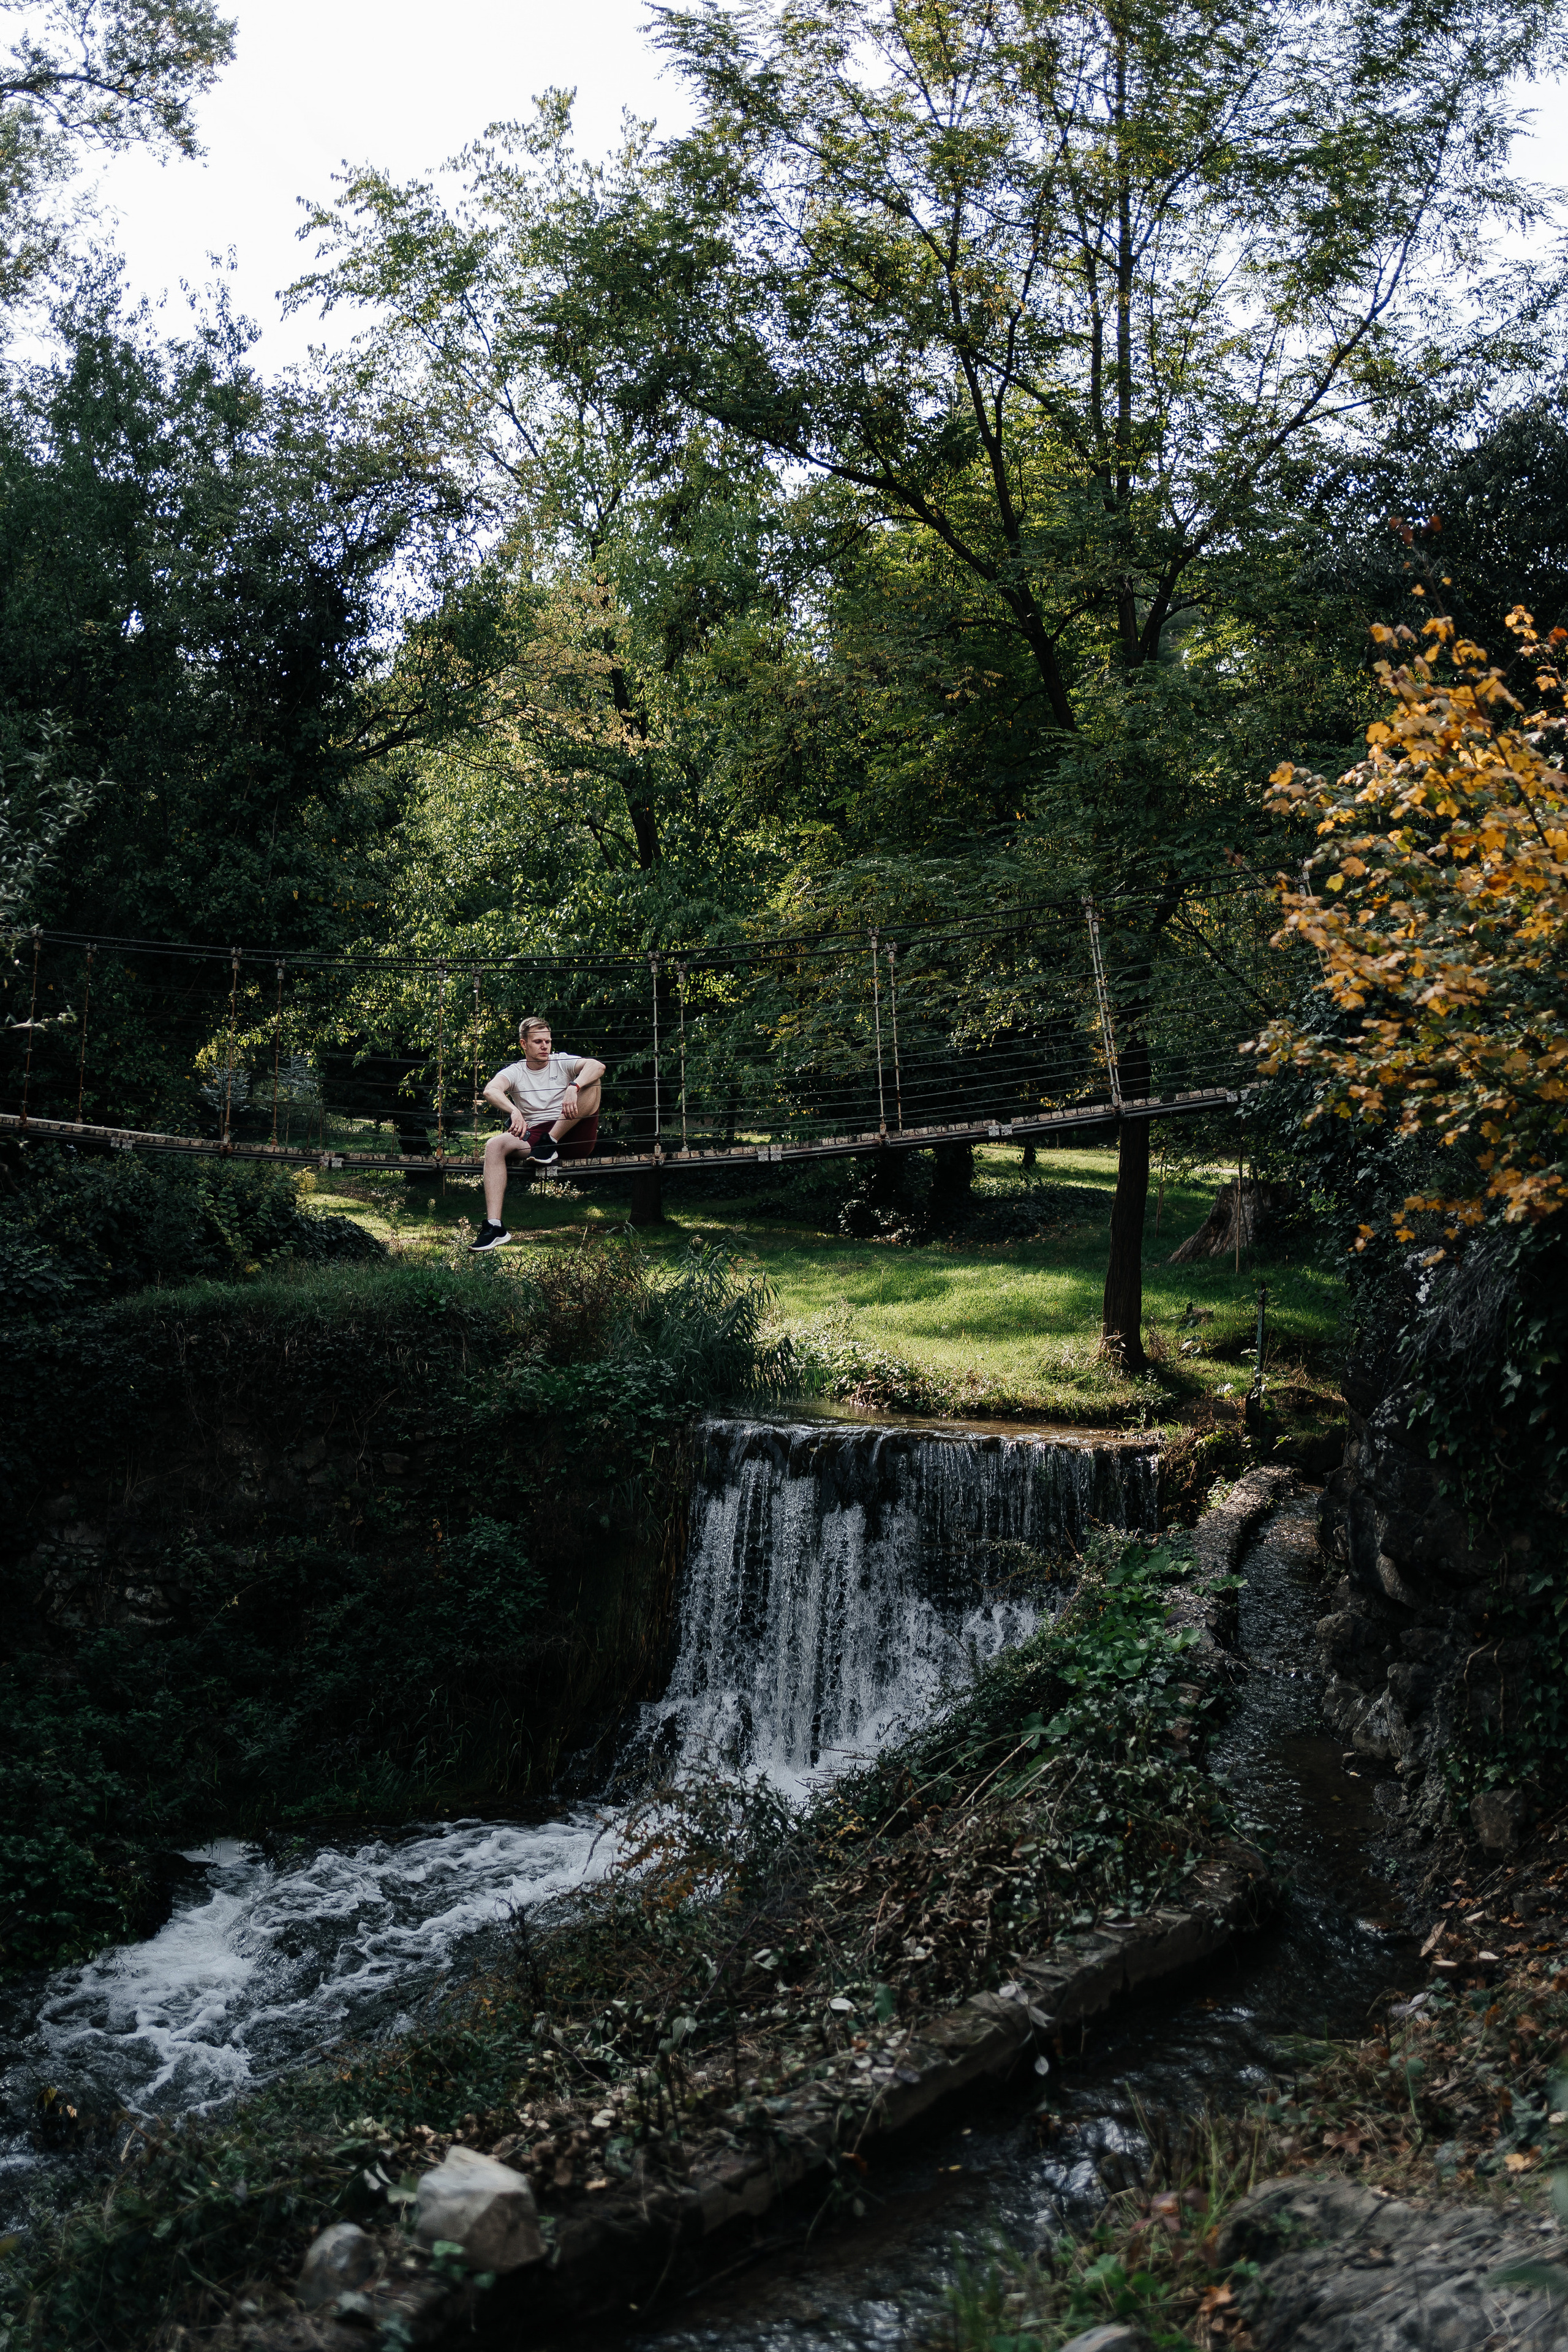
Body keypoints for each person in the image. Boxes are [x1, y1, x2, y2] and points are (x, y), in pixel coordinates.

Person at [469, 1017, 606, 1252]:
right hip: (535, 1137)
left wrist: (573, 1087)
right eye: (538, 1042)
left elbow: (598, 1066)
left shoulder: (561, 1062)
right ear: (524, 1044)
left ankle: (550, 1142)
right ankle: (494, 1227)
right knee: (494, 1145)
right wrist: (514, 1111)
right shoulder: (516, 1071)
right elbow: (491, 1090)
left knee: (593, 1081)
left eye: (548, 1041)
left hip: (573, 1131)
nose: (545, 1046)